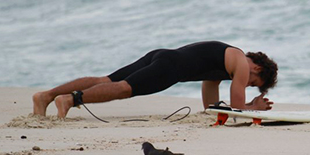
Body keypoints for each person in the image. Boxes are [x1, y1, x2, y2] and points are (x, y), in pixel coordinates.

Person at [32, 41, 278, 118]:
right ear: (256, 67)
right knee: (123, 89)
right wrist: (252, 108)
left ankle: (45, 96)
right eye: (254, 83)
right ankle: (70, 100)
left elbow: (210, 106)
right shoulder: (242, 63)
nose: (247, 84)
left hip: (162, 56)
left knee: (105, 79)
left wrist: (214, 112)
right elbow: (237, 108)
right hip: (170, 67)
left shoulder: (224, 64)